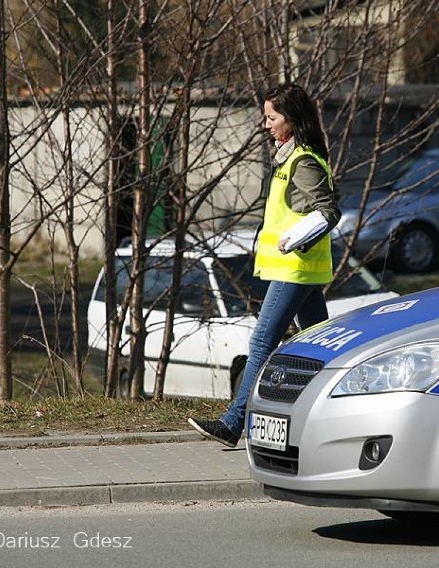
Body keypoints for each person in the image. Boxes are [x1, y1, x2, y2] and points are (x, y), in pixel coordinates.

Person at [188, 83, 340, 447]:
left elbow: (328, 211)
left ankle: (232, 422)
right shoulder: (290, 158)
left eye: (272, 117)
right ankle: (330, 417)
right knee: (319, 346)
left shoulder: (302, 161)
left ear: (291, 119)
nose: (265, 123)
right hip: (296, 269)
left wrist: (297, 239)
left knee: (261, 343)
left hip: (295, 269)